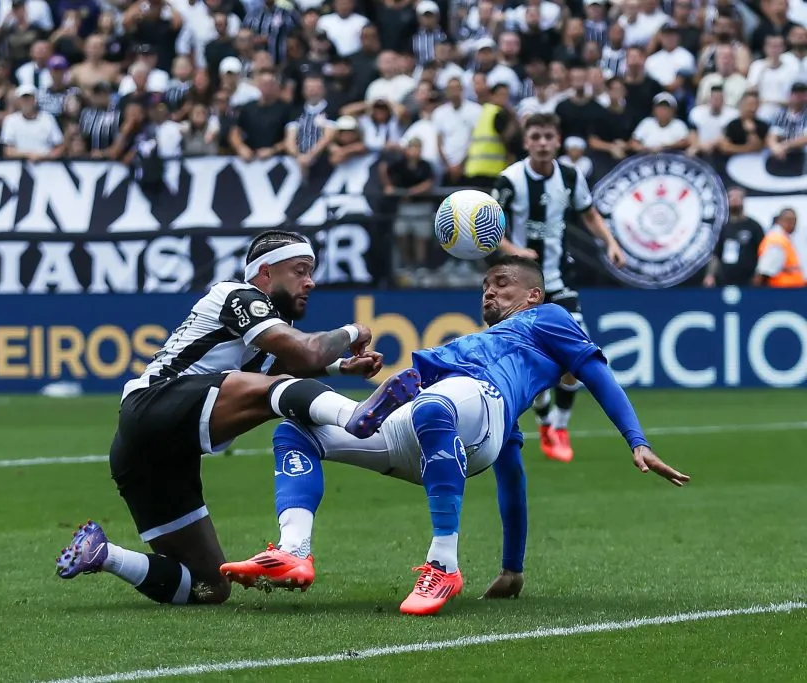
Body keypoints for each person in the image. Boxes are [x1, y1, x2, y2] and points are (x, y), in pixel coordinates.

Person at [220, 256, 689, 615]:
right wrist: (512, 569)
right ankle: (293, 550)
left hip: (467, 405)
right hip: (441, 426)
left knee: (437, 402)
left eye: (501, 285)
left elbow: (598, 375)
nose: (489, 293)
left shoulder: (549, 320)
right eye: (485, 287)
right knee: (296, 431)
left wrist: (637, 440)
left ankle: (443, 565)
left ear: (534, 296)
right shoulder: (478, 346)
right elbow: (512, 481)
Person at [54, 230, 423, 606]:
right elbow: (303, 357)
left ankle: (102, 553)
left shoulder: (273, 326)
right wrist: (355, 330)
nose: (310, 281)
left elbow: (293, 366)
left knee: (209, 587)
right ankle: (355, 417)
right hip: (153, 406)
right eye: (299, 270)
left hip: (149, 452)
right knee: (275, 392)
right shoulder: (239, 295)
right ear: (264, 274)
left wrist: (344, 366)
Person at [491, 112, 625, 464]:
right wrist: (514, 250)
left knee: (576, 354)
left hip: (559, 279)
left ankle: (558, 427)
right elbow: (491, 229)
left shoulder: (570, 176)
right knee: (528, 362)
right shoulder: (510, 179)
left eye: (548, 136)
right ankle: (543, 415)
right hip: (519, 286)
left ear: (558, 140)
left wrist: (610, 241)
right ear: (526, 142)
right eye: (535, 136)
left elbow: (589, 213)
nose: (542, 143)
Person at [703, 187, 765, 288]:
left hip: (749, 280)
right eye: (731, 197)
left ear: (743, 200)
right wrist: (710, 276)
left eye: (738, 197)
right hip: (725, 280)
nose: (734, 199)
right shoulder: (722, 228)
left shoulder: (754, 226)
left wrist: (759, 275)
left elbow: (763, 253)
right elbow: (716, 255)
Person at [753, 208, 805, 288]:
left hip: (792, 290)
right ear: (779, 220)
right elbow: (764, 271)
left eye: (794, 220)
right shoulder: (777, 240)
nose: (792, 223)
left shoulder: (786, 239)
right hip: (781, 291)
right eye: (788, 220)